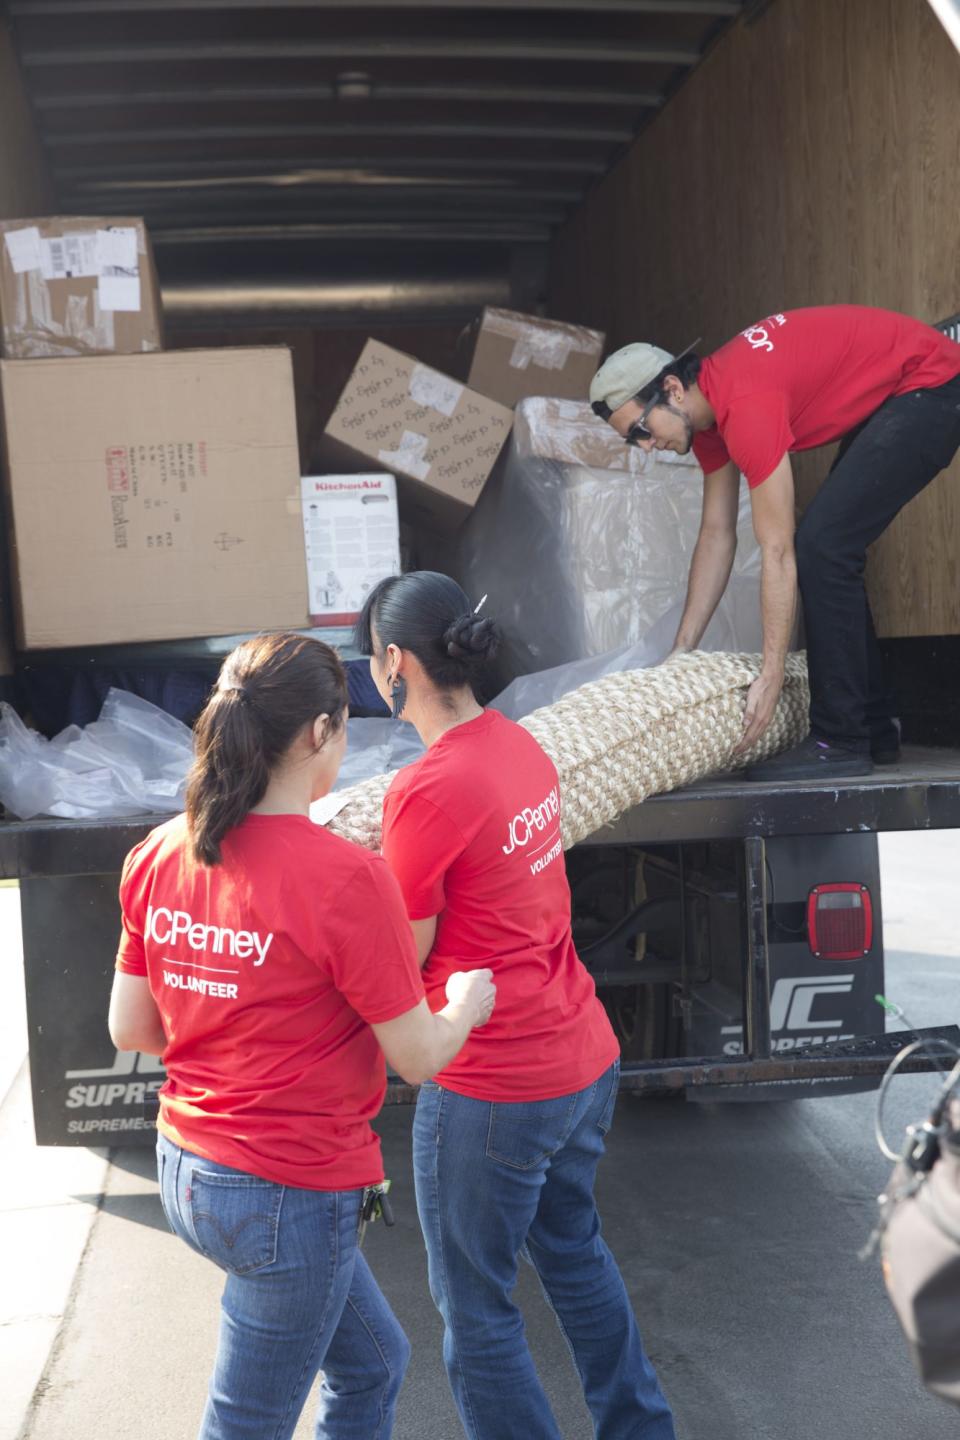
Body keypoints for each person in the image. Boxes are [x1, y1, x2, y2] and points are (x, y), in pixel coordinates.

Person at [107, 631, 496, 1440]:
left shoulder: (160, 850)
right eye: (346, 726)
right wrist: (465, 1002)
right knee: (245, 1426)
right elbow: (419, 1057)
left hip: (188, 1169)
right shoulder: (347, 878)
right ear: (321, 733)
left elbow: (130, 1026)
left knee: (374, 1364)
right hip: (283, 1195)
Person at [356, 572, 677, 1440]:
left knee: (477, 1308)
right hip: (579, 1055)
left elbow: (403, 960)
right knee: (575, 1256)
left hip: (494, 1082)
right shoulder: (519, 745)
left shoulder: (425, 790)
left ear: (395, 663)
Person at [589, 305, 960, 780]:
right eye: (630, 442)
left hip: (932, 383)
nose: (644, 448)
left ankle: (841, 740)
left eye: (640, 431)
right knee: (828, 545)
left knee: (822, 546)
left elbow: (778, 551)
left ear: (673, 389)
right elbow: (717, 534)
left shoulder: (745, 403)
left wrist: (771, 674)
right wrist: (681, 651)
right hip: (894, 394)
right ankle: (873, 724)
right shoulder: (705, 423)